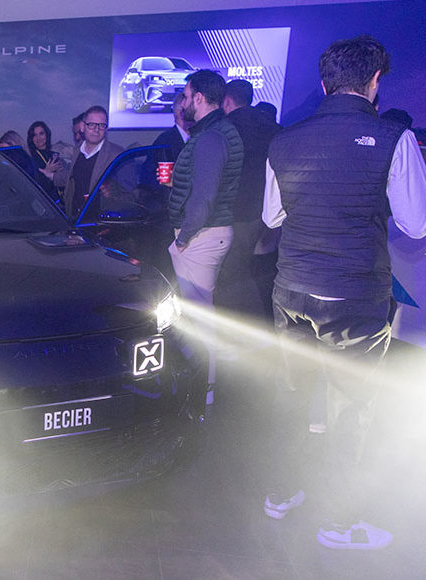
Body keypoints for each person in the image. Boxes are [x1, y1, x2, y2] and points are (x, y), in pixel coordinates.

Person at [261, 35, 426, 550]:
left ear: (324, 82)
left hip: (291, 290)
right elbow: (416, 224)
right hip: (354, 294)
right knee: (351, 405)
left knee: (291, 393)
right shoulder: (394, 138)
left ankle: (280, 493)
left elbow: (272, 217)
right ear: (375, 81)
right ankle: (338, 523)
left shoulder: (285, 140)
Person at [165, 70, 243, 402]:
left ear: (198, 97)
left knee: (199, 319)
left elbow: (205, 197)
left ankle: (203, 394)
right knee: (199, 315)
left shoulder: (211, 137)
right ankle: (203, 389)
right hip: (207, 232)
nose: (183, 102)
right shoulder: (216, 132)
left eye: (185, 95)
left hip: (202, 235)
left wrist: (184, 238)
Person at [215, 79, 282, 324]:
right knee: (261, 270)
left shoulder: (224, 129)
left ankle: (234, 327)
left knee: (231, 275)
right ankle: (263, 323)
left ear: (227, 101)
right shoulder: (273, 127)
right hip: (269, 212)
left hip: (238, 213)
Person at [63, 106, 125, 219]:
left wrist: (113, 192)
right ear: (82, 127)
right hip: (75, 219)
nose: (97, 130)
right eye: (91, 125)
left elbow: (130, 195)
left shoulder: (118, 155)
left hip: (102, 222)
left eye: (101, 125)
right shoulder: (76, 151)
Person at [26, 121, 64, 197]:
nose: (38, 138)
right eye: (34, 135)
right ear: (31, 138)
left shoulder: (54, 155)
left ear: (47, 135)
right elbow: (32, 186)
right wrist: (46, 172)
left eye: (41, 133)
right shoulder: (30, 158)